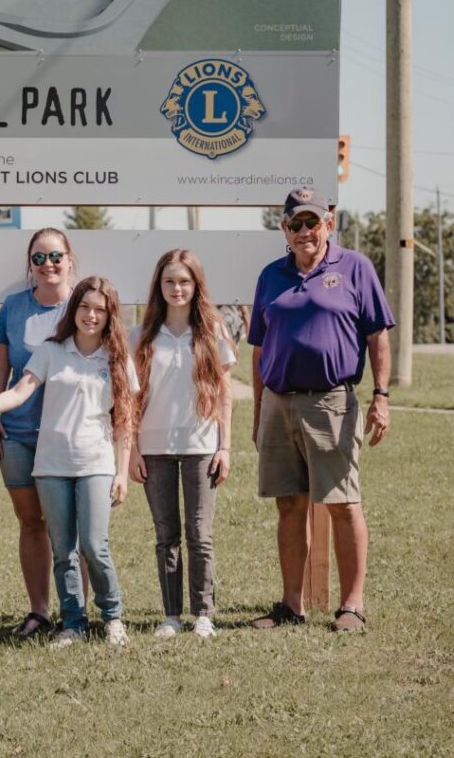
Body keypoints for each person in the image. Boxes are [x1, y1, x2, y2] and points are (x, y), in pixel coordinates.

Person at [248, 187, 394, 632]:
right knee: (289, 505)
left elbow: (377, 335)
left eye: (313, 222)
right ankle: (292, 605)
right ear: (284, 230)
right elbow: (258, 349)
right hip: (278, 402)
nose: (305, 231)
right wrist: (258, 412)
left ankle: (352, 605)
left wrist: (381, 397)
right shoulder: (271, 275)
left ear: (329, 223)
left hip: (331, 401)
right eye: (296, 224)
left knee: (343, 503)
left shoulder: (355, 268)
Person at [0, 276, 137, 648]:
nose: (91, 315)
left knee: (94, 546)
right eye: (84, 307)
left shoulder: (116, 358)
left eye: (100, 310)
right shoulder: (52, 351)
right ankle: (73, 623)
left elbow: (126, 420)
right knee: (63, 548)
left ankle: (113, 616)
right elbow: (21, 391)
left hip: (96, 464)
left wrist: (122, 472)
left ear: (109, 315)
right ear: (74, 309)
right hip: (51, 465)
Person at [129, 250, 235, 640]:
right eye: (170, 281)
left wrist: (225, 448)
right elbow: (129, 400)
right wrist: (133, 450)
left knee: (199, 534)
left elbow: (225, 397)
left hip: (201, 445)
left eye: (185, 282)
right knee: (166, 534)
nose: (177, 289)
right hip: (153, 449)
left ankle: (203, 613)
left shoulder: (212, 331)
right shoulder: (140, 336)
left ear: (196, 286)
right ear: (159, 285)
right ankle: (171, 615)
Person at [0, 228, 75, 640]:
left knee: (73, 526)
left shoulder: (84, 306)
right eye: (39, 258)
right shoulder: (13, 308)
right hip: (18, 433)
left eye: (55, 256)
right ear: (30, 265)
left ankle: (77, 612)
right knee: (31, 523)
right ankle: (39, 611)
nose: (48, 265)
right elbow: (1, 365)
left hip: (69, 435)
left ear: (69, 259)